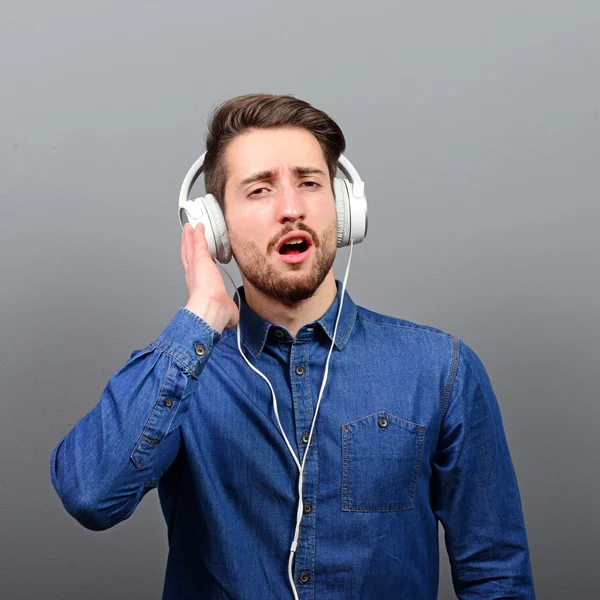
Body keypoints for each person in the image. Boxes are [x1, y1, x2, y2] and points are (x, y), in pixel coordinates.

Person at [50, 93, 535, 599]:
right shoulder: (177, 379)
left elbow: (496, 574)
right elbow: (90, 496)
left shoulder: (440, 369)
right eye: (259, 190)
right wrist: (200, 320)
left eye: (309, 183)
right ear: (217, 229)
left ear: (344, 209)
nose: (291, 208)